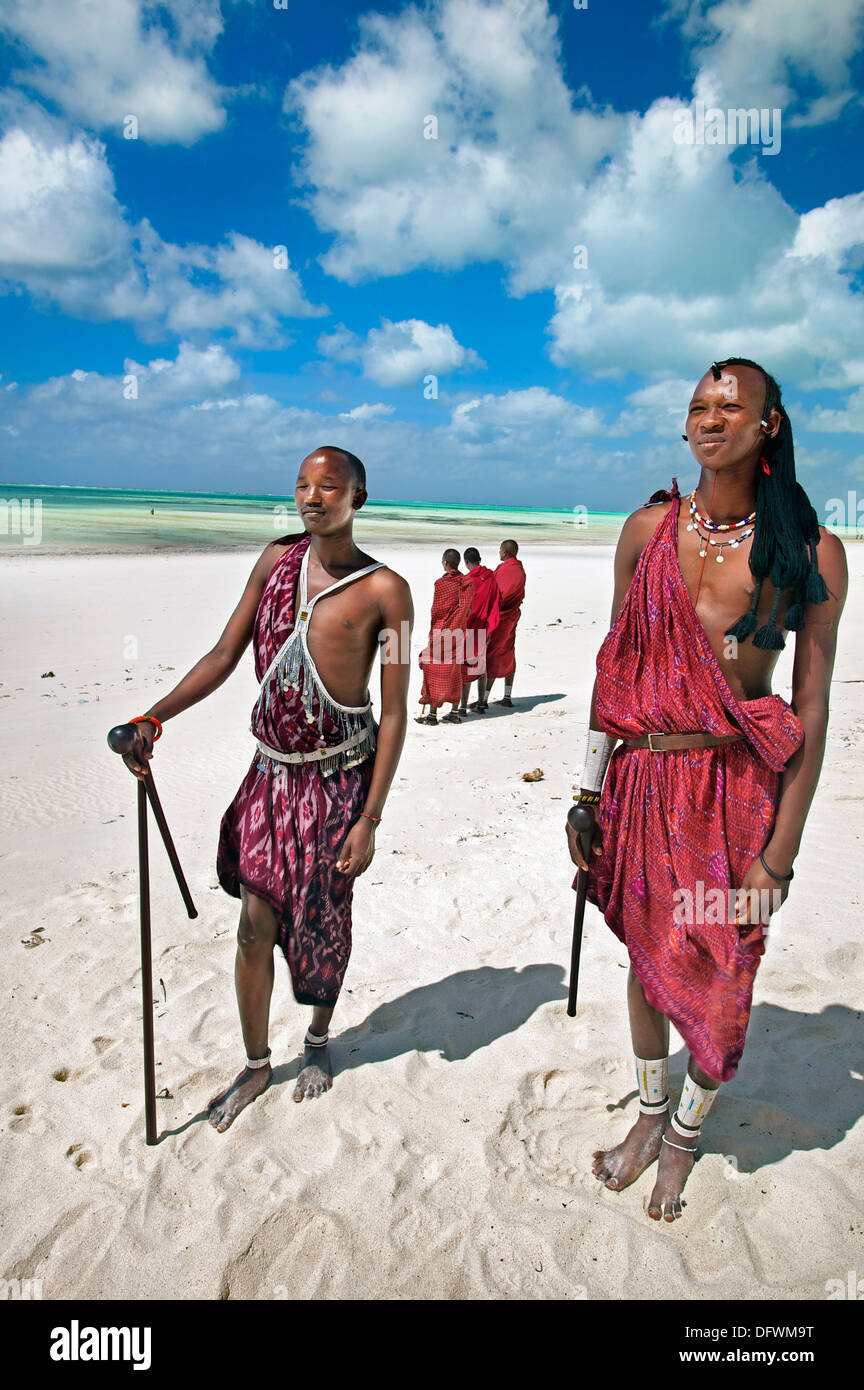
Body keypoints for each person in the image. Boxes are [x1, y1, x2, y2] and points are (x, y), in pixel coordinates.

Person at [566, 358, 846, 1221]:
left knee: (722, 972)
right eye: (698, 405)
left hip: (736, 788)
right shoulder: (645, 531)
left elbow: (810, 706)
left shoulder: (807, 549)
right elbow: (613, 670)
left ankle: (688, 1134)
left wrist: (782, 857)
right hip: (642, 778)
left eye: (732, 407)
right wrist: (586, 793)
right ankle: (652, 1115)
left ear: (769, 426)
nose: (710, 418)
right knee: (649, 967)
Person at [120, 447, 413, 1131]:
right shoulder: (275, 561)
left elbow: (396, 710)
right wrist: (152, 717)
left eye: (329, 487)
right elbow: (225, 654)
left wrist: (371, 816)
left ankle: (317, 1041)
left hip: (340, 782)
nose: (312, 498)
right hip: (269, 776)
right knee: (255, 929)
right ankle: (255, 1064)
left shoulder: (386, 592)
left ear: (357, 498)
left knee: (321, 924)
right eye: (303, 486)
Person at [417, 549, 473, 725]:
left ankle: (432, 715)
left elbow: (436, 610)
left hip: (441, 631)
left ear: (444, 563)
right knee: (454, 670)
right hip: (458, 632)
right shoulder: (467, 583)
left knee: (433, 668)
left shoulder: (440, 584)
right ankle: (454, 712)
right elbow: (467, 609)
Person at [481, 540, 526, 707]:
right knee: (508, 651)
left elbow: (500, 595)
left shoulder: (508, 570)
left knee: (492, 654)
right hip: (512, 617)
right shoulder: (519, 570)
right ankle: (507, 696)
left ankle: (483, 700)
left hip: (500, 619)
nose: (499, 552)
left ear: (505, 552)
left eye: (500, 550)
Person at [458, 547, 501, 715]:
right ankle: (482, 703)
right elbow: (497, 601)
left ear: (466, 562)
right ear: (480, 559)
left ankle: (462, 707)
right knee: (481, 666)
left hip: (469, 628)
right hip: (486, 627)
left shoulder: (467, 580)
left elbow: (463, 607)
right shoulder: (491, 577)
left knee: (467, 667)